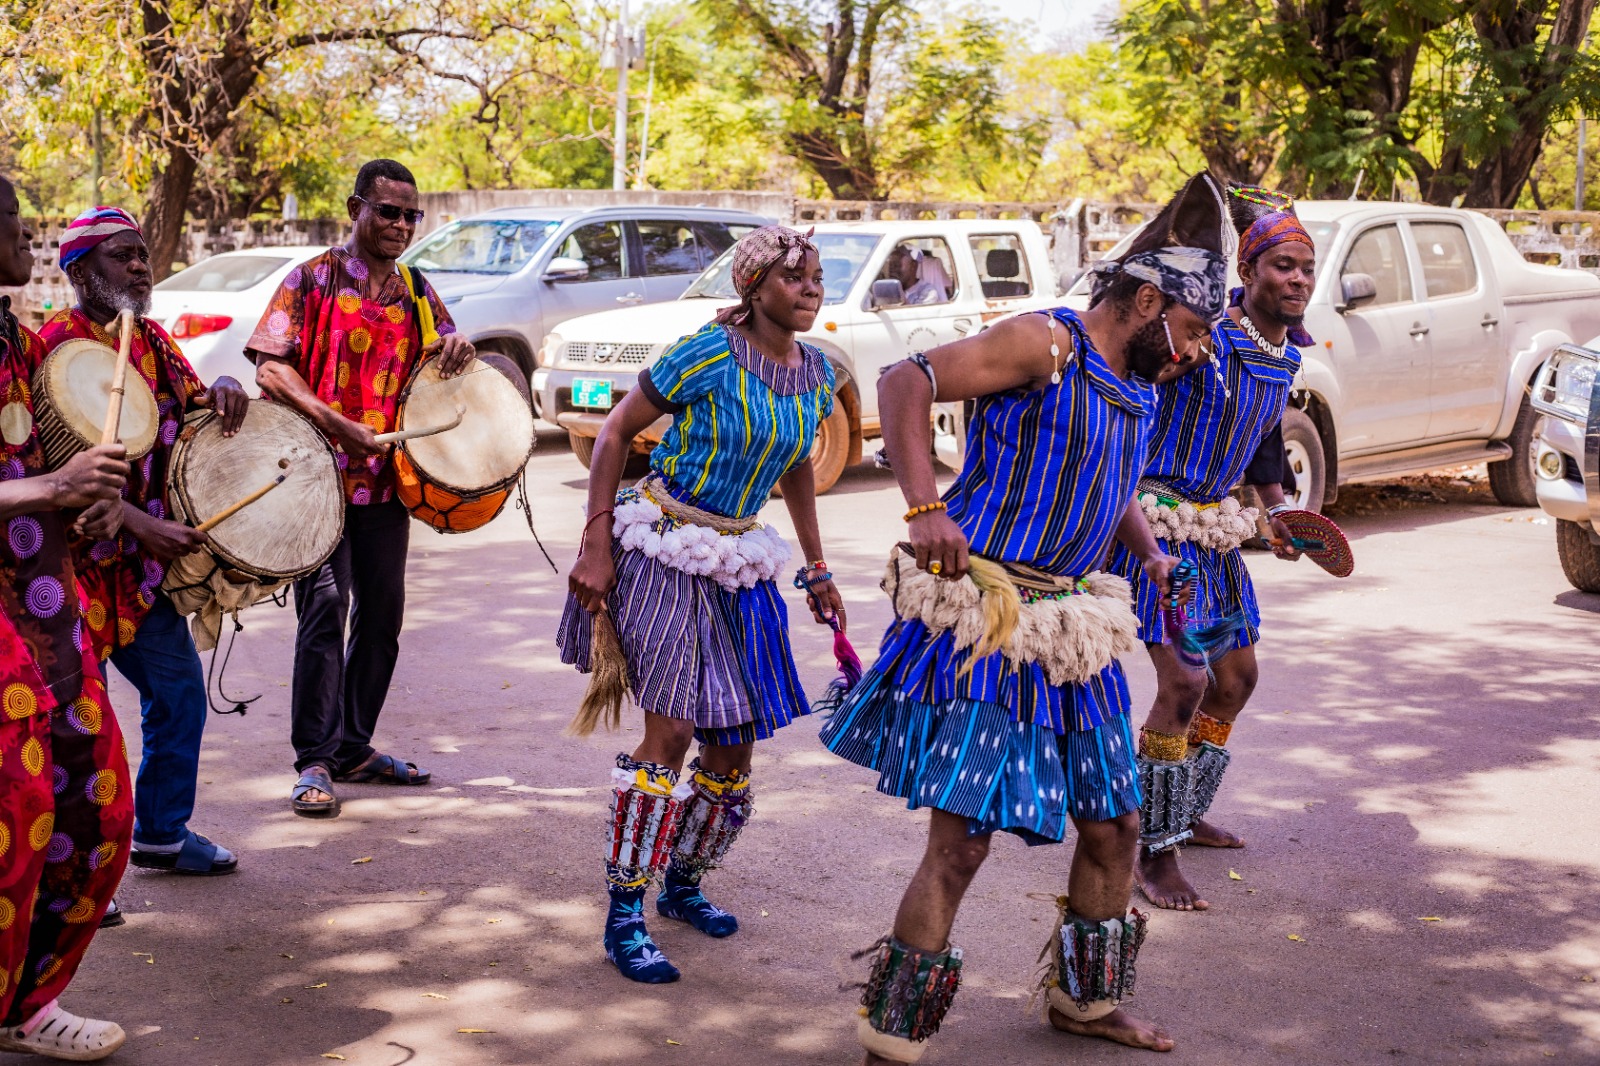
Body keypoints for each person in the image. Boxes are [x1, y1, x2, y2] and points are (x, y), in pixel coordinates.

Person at [821, 173, 1234, 1062]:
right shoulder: (1044, 342)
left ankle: (1085, 1006)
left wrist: (1149, 549)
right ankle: (891, 1035)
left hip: (1073, 627)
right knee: (964, 840)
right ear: (1150, 301)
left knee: (1116, 824)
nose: (1198, 351)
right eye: (1195, 330)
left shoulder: (1140, 386)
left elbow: (1113, 479)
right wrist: (923, 507)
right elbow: (901, 381)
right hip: (991, 622)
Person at [559, 225, 844, 985]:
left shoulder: (816, 373)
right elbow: (617, 430)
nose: (812, 289)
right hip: (661, 545)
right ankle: (626, 913)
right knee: (675, 729)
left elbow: (798, 471)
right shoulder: (705, 353)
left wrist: (816, 567)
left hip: (738, 557)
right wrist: (593, 545)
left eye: (818, 278)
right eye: (796, 279)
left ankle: (683, 884)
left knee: (733, 746)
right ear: (754, 289)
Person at [1107, 185, 1316, 911]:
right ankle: (1146, 847)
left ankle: (1183, 806)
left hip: (1216, 530)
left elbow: (1262, 436)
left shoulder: (1283, 355)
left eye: (1306, 270)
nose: (1296, 280)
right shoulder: (1204, 339)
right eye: (1283, 266)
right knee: (1185, 683)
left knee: (1237, 680)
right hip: (1153, 527)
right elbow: (1134, 399)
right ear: (1251, 272)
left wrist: (1279, 506)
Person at [245, 159, 474, 817]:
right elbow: (269, 369)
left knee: (382, 620)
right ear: (356, 208)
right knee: (324, 613)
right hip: (313, 482)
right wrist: (335, 423)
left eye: (410, 214)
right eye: (388, 211)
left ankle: (353, 746)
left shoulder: (416, 289)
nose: (401, 225)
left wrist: (457, 352)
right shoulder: (310, 279)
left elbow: (448, 357)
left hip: (385, 487)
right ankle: (314, 760)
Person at [41, 207, 249, 877]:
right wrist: (142, 522)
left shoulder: (154, 341)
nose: (139, 265)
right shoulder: (51, 348)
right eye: (120, 255)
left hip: (137, 577)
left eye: (142, 254)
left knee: (180, 696)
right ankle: (74, 870)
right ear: (78, 270)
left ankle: (161, 832)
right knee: (78, 729)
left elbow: (192, 411)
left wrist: (221, 389)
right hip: (65, 576)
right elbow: (48, 470)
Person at [0, 173, 135, 1060]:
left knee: (98, 803)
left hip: (46, 598)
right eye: (12, 219)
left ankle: (27, 1000)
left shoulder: (12, 338)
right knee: (15, 808)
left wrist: (88, 502)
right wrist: (51, 485)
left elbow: (41, 461)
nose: (27, 234)